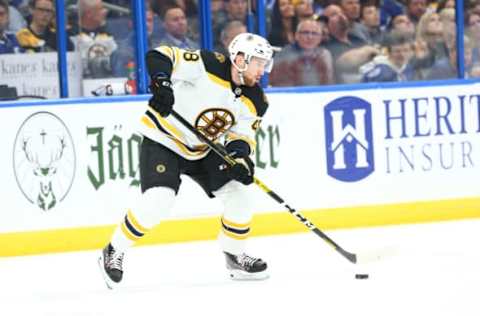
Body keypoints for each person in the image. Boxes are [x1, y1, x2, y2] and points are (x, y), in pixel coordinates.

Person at [98, 32, 274, 288]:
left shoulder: (256, 99)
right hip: (164, 139)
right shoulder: (208, 64)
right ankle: (114, 250)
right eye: (260, 62)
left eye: (265, 63)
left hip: (204, 148)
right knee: (159, 199)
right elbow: (159, 55)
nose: (264, 70)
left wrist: (239, 157)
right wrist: (162, 83)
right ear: (240, 59)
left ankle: (235, 255)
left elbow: (242, 135)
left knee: (241, 193)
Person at [269, 18, 334, 86]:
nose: (310, 37)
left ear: (320, 37)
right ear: (296, 35)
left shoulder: (325, 55)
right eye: (305, 32)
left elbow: (328, 82)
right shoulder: (284, 55)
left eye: (314, 33)